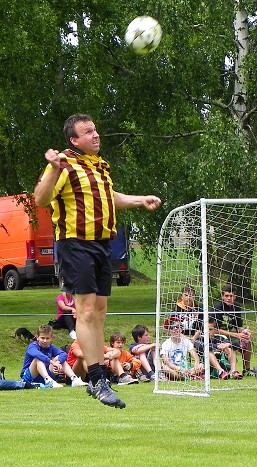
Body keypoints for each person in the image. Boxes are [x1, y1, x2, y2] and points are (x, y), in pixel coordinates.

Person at [33, 113, 161, 408]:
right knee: (86, 311)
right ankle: (97, 378)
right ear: (74, 140)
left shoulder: (100, 165)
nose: (95, 135)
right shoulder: (64, 162)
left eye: (95, 130)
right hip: (75, 243)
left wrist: (138, 200)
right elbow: (40, 198)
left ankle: (97, 377)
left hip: (102, 244)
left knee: (100, 311)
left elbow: (108, 195)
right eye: (88, 132)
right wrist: (53, 169)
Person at [20, 324, 87, 388]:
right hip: (30, 376)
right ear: (37, 337)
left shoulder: (50, 347)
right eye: (42, 338)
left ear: (51, 338)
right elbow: (37, 354)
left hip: (44, 374)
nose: (45, 341)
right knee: (38, 359)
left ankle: (74, 379)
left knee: (60, 358)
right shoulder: (32, 346)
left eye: (47, 338)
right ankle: (49, 381)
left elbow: (63, 354)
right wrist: (52, 362)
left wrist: (57, 363)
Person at [211, 284, 252, 374]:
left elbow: (239, 327)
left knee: (247, 340)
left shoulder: (236, 307)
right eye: (226, 296)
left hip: (231, 334)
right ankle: (231, 370)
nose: (229, 298)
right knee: (228, 342)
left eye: (231, 296)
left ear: (235, 297)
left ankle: (247, 369)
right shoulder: (217, 308)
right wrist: (236, 335)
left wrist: (245, 332)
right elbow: (213, 329)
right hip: (218, 336)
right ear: (222, 297)